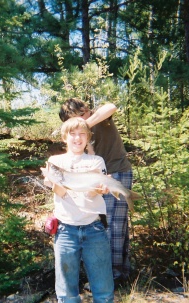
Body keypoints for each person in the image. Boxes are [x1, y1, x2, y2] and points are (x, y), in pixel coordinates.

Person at [59, 98, 133, 282]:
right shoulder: (81, 136)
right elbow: (91, 157)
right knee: (112, 224)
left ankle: (113, 276)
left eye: (75, 119)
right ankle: (121, 271)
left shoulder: (99, 118)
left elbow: (112, 106)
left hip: (118, 173)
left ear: (83, 112)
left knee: (113, 226)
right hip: (100, 178)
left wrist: (85, 124)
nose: (76, 130)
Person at [43, 117, 114, 303]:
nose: (77, 138)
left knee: (104, 293)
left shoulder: (96, 161)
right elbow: (62, 193)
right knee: (67, 295)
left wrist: (98, 189)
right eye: (72, 134)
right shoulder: (54, 161)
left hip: (94, 230)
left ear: (88, 137)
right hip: (65, 231)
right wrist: (52, 181)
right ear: (64, 137)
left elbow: (91, 195)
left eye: (82, 133)